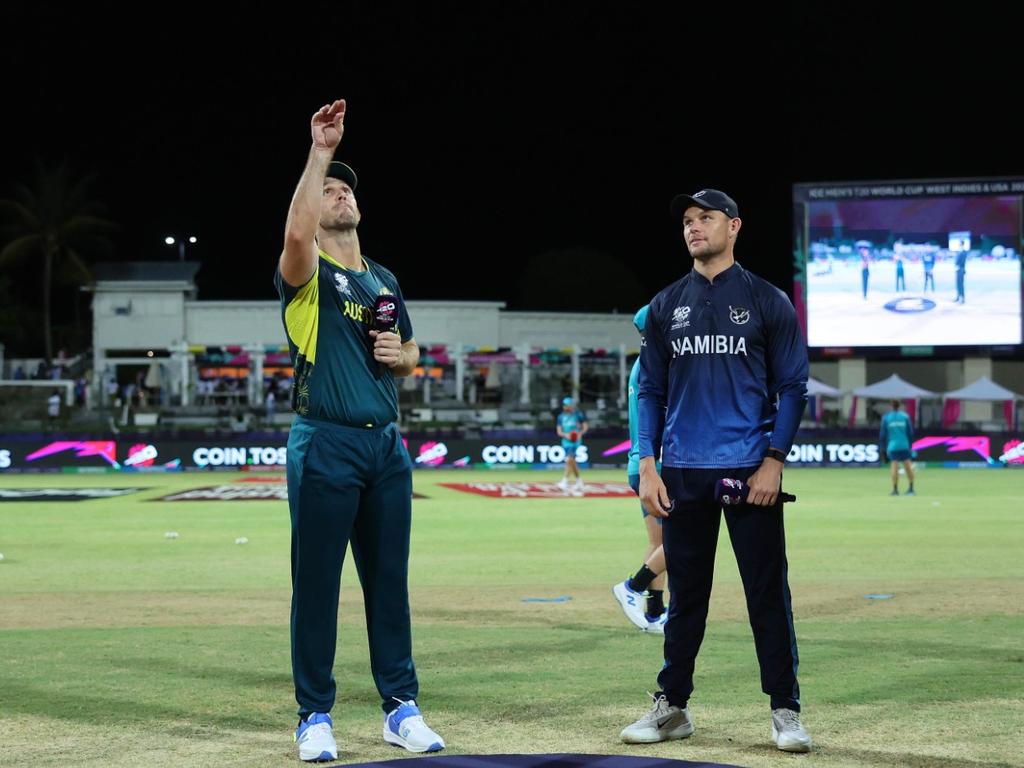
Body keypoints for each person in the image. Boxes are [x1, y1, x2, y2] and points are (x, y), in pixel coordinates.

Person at [275, 98, 443, 762]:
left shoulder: (384, 279)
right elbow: (292, 240)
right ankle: (314, 715)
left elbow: (411, 354)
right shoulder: (308, 275)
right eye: (327, 191)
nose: (337, 195)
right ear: (315, 210)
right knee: (317, 586)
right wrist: (318, 153)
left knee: (389, 585)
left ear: (359, 208)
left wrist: (398, 356)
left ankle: (401, 708)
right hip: (326, 441)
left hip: (386, 447)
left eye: (344, 188)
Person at [620, 188, 812, 753]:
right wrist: (649, 465)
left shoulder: (766, 299)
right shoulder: (665, 305)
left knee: (766, 596)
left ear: (734, 226)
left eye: (705, 218)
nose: (693, 227)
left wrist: (773, 462)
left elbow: (793, 388)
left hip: (749, 472)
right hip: (680, 472)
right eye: (686, 219)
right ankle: (672, 706)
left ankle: (785, 711)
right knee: (687, 600)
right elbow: (650, 390)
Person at [612, 304, 668, 634]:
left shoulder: (640, 364)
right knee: (686, 539)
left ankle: (654, 612)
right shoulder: (659, 364)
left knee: (658, 541)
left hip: (640, 464)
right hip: (657, 464)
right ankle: (633, 586)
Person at [880, 399, 915, 495]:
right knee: (908, 467)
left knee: (894, 467)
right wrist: (910, 445)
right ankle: (911, 488)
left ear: (890, 406)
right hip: (904, 445)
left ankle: (895, 490)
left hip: (893, 446)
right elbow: (910, 433)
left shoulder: (886, 418)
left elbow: (883, 435)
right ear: (899, 406)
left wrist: (883, 448)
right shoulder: (905, 417)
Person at [555, 396, 588, 495]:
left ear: (571, 406)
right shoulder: (560, 417)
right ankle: (579, 481)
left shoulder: (578, 415)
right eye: (564, 405)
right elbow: (559, 431)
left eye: (567, 405)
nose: (565, 407)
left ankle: (564, 481)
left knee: (569, 459)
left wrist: (579, 434)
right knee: (571, 461)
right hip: (566, 441)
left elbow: (585, 426)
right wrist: (567, 435)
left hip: (575, 441)